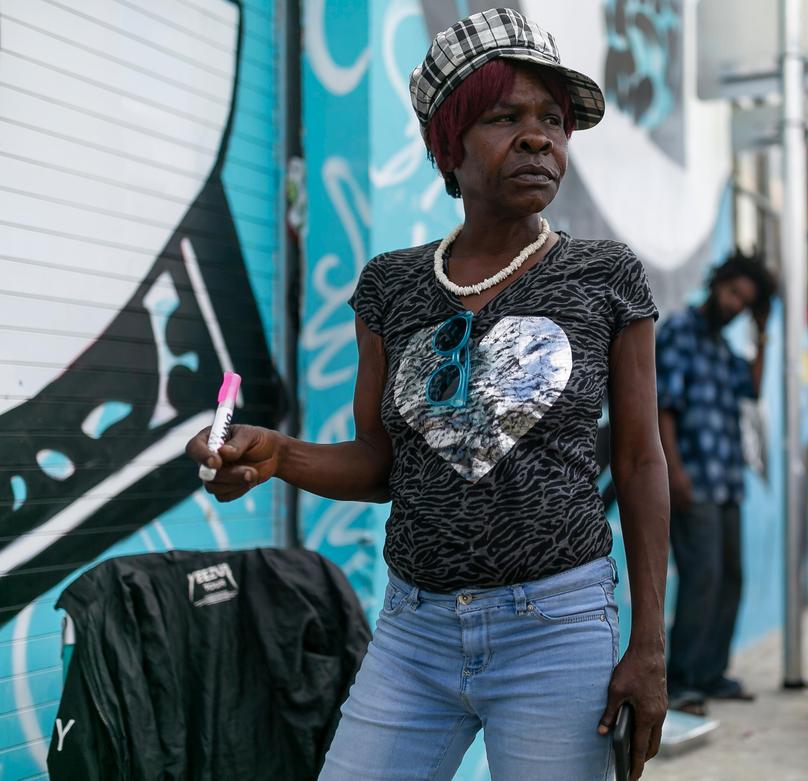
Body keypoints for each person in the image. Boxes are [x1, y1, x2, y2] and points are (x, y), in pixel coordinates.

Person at [187, 9, 669, 780]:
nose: (539, 137)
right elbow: (382, 463)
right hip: (413, 631)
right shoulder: (392, 284)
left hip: (557, 628)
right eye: (504, 117)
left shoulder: (605, 275)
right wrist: (275, 453)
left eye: (554, 119)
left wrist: (649, 644)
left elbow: (642, 461)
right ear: (449, 145)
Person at [655, 251, 775, 716]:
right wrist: (674, 470)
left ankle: (711, 674)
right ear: (717, 283)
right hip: (695, 479)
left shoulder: (725, 349)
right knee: (702, 577)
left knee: (730, 579)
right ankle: (681, 680)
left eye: (744, 302)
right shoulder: (681, 330)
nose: (734, 305)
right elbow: (663, 405)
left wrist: (762, 331)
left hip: (727, 481)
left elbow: (754, 387)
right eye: (732, 293)